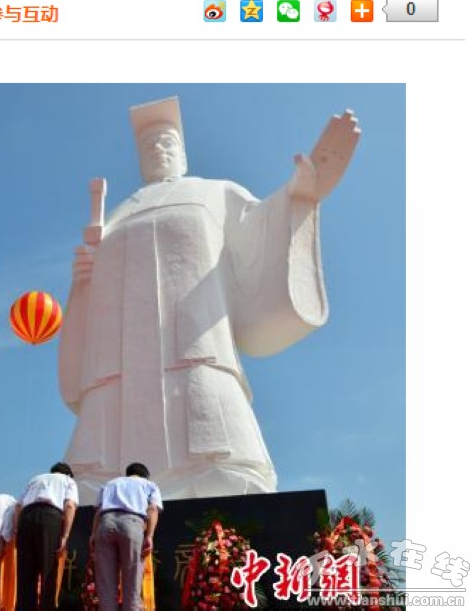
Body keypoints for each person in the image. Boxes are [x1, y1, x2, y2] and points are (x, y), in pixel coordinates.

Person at [58, 96, 361, 501]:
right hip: (122, 355)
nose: (159, 149)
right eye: (150, 146)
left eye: (167, 143)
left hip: (194, 337)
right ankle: (105, 475)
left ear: (183, 155)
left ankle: (217, 467)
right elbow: (94, 287)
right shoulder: (116, 215)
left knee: (220, 459)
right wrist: (84, 278)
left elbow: (260, 229)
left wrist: (300, 193)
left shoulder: (214, 193)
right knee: (92, 478)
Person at [91, 463, 162, 611]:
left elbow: (98, 511)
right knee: (132, 582)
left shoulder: (110, 483)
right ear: (145, 476)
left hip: (105, 523)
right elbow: (153, 508)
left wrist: (93, 534)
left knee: (105, 583)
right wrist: (149, 536)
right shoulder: (149, 484)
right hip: (132, 523)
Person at [13, 463, 78, 611]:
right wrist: (65, 535)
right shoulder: (68, 481)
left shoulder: (35, 479)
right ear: (68, 474)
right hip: (50, 519)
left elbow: (18, 506)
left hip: (26, 518)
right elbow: (69, 505)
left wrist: (17, 530)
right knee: (48, 570)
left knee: (25, 575)